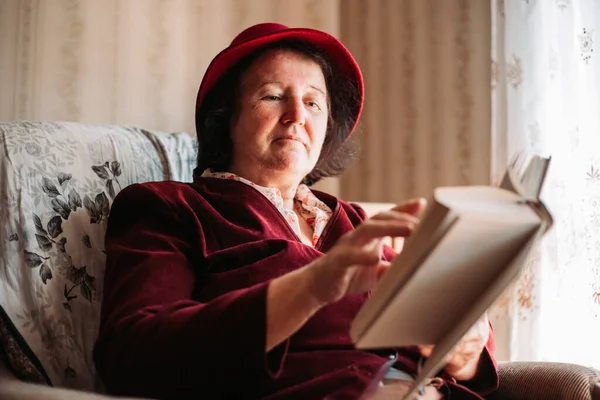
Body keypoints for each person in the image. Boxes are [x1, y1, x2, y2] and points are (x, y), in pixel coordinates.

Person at [93, 23, 498, 400]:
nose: (297, 116)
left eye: (313, 103)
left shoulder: (354, 222)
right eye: (272, 96)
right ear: (225, 119)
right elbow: (132, 355)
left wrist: (467, 350)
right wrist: (309, 286)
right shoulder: (170, 207)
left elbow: (440, 320)